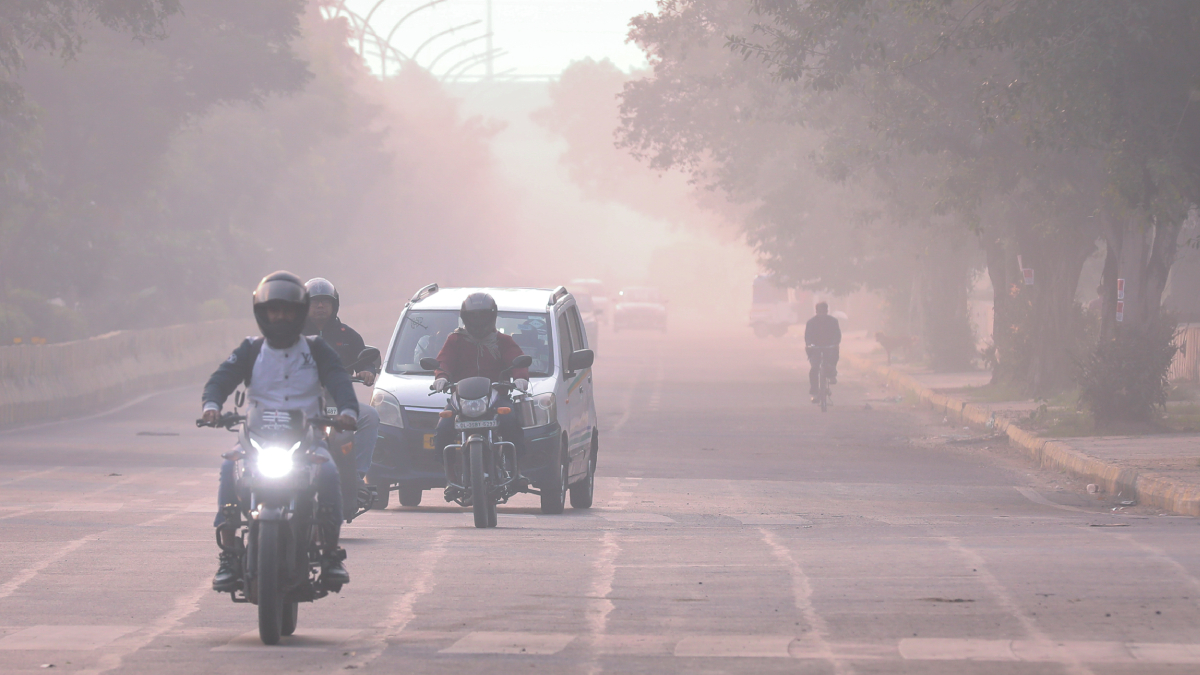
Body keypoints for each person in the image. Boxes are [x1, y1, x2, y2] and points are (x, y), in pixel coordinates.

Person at [202, 271, 357, 591]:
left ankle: (330, 554)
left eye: (288, 311)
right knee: (229, 466)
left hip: (307, 438)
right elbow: (222, 378)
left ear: (299, 313)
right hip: (257, 438)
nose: (281, 317)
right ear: (262, 312)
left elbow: (339, 380)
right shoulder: (250, 350)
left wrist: (347, 411)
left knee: (328, 473)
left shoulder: (316, 349)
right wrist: (211, 405)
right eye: (275, 310)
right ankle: (229, 555)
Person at [431, 293, 530, 485]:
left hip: (496, 397)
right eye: (473, 316)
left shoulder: (503, 341)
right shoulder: (455, 340)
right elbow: (444, 361)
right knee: (443, 429)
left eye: (482, 316)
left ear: (492, 316)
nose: (478, 321)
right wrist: (441, 377)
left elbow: (517, 360)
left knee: (510, 422)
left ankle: (516, 470)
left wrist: (520, 379)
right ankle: (450, 476)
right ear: (465, 318)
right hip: (460, 399)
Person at [302, 278, 380, 488]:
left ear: (334, 305)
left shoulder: (349, 336)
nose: (320, 306)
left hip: (338, 401)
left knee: (370, 416)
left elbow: (367, 360)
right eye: (315, 301)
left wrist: (367, 371)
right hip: (302, 401)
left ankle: (354, 476)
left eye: (325, 302)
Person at [805, 301, 842, 402]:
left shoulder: (833, 321)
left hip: (829, 347)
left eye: (824, 312)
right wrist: (809, 345)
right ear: (816, 311)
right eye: (819, 312)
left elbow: (837, 335)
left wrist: (835, 343)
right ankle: (814, 393)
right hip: (815, 348)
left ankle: (832, 374)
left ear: (827, 311)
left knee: (831, 360)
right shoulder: (811, 322)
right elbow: (807, 336)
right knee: (814, 369)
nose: (822, 314)